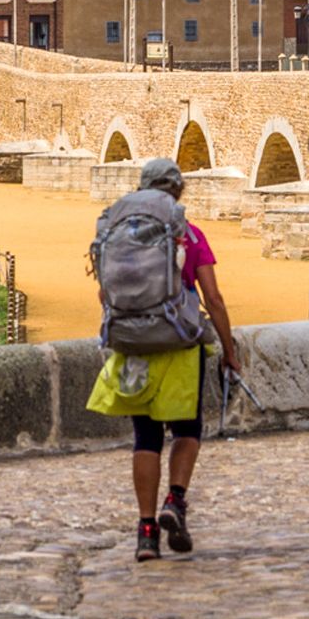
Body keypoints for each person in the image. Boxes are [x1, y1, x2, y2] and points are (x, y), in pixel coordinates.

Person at [86, 158, 240, 562]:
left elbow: (105, 294)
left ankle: (147, 531)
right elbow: (214, 299)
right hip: (178, 345)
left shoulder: (118, 234)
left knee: (146, 438)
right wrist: (230, 351)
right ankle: (176, 499)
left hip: (133, 345)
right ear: (177, 192)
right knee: (188, 430)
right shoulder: (189, 235)